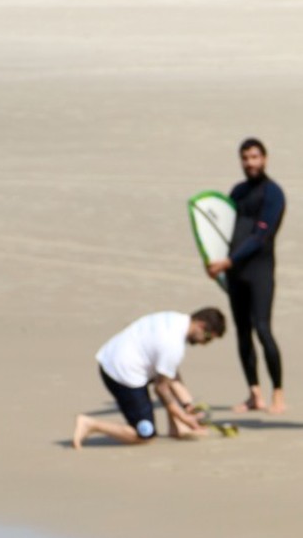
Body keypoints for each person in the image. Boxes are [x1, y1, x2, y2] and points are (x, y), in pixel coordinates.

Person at [206, 137, 287, 415]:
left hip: (259, 272)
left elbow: (261, 236)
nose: (250, 163)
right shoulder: (237, 192)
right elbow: (223, 231)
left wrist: (228, 261)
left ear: (264, 159)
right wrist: (215, 261)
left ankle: (278, 393)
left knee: (262, 329)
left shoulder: (273, 193)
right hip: (235, 274)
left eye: (254, 157)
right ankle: (254, 394)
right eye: (245, 158)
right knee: (242, 333)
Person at [72, 307, 225, 449]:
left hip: (113, 355)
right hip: (122, 374)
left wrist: (187, 405)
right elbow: (161, 388)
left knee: (167, 376)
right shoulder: (173, 344)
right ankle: (90, 424)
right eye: (207, 338)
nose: (204, 344)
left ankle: (177, 428)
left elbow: (170, 373)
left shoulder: (176, 319)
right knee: (145, 436)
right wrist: (184, 417)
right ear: (201, 325)